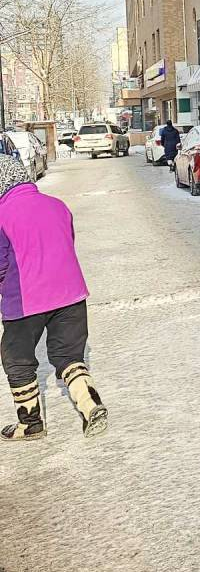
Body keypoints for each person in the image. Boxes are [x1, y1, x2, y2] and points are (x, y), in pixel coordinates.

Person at [0, 155, 108, 441]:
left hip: (27, 299)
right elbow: (67, 241)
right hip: (71, 294)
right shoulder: (57, 205)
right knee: (69, 356)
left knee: (17, 359)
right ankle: (90, 404)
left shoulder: (2, 215)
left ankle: (31, 423)